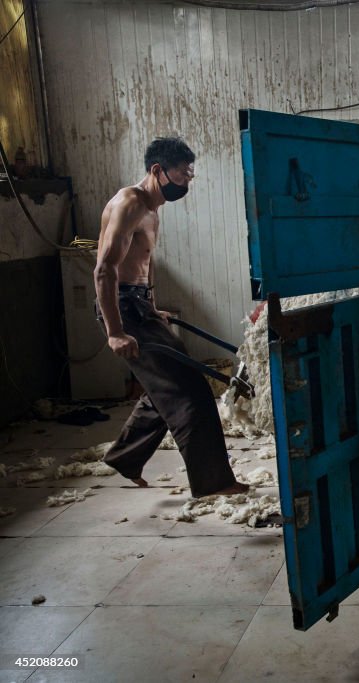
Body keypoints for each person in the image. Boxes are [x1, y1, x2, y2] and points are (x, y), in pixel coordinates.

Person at [94, 136, 248, 497]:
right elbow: (104, 270)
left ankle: (125, 457)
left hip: (139, 307)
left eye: (190, 176)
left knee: (164, 386)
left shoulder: (152, 208)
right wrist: (115, 331)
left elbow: (143, 267)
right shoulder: (130, 203)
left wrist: (153, 306)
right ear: (157, 170)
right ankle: (214, 483)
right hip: (123, 310)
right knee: (191, 391)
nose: (187, 183)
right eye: (182, 175)